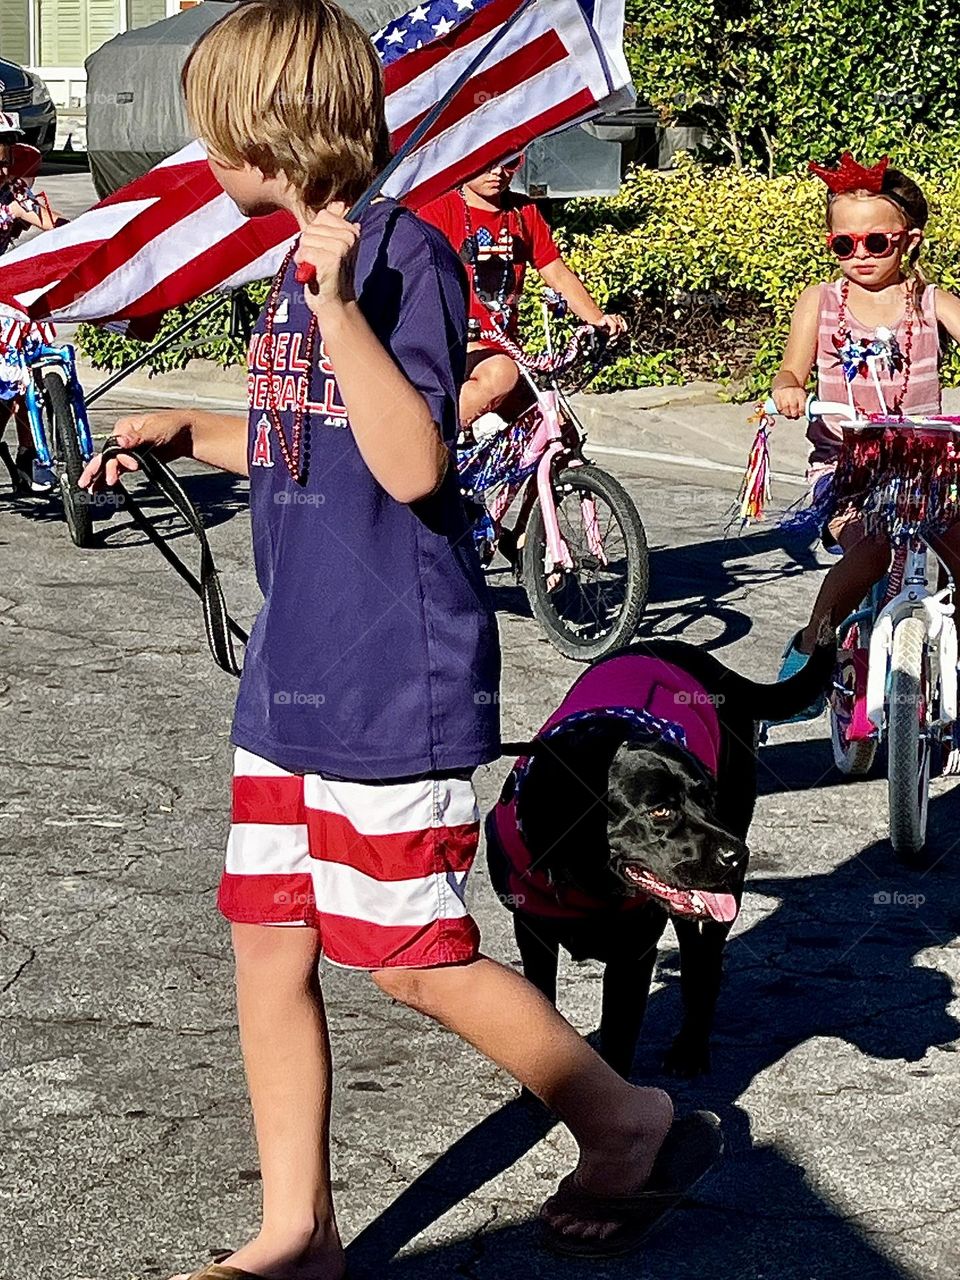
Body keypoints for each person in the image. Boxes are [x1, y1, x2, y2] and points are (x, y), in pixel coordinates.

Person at [80, 3, 715, 1274]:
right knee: (269, 943)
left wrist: (336, 305)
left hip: (389, 677)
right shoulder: (294, 269)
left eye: (215, 131)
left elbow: (414, 460)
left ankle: (625, 1115)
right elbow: (305, 441)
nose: (201, 156)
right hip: (292, 676)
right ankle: (298, 1231)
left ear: (274, 126)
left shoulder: (403, 256)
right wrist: (180, 431)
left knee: (410, 955)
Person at [773, 153, 960, 702]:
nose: (860, 255)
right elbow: (792, 366)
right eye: (844, 244)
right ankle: (812, 647)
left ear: (909, 240)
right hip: (849, 469)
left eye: (876, 242)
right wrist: (788, 387)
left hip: (927, 467)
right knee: (874, 548)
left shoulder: (930, 302)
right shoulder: (821, 301)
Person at [418, 158, 626, 438]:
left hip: (504, 348)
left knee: (557, 433)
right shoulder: (438, 210)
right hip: (452, 346)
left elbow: (556, 272)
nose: (497, 173)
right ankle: (425, 445)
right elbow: (416, 280)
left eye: (509, 163)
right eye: (487, 162)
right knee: (500, 373)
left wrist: (598, 320)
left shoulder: (523, 211)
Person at [0, 110, 66, 495]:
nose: (4, 158)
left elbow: (49, 221)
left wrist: (91, 237)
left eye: (6, 147)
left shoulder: (13, 194)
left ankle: (32, 452)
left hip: (5, 289)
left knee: (24, 357)